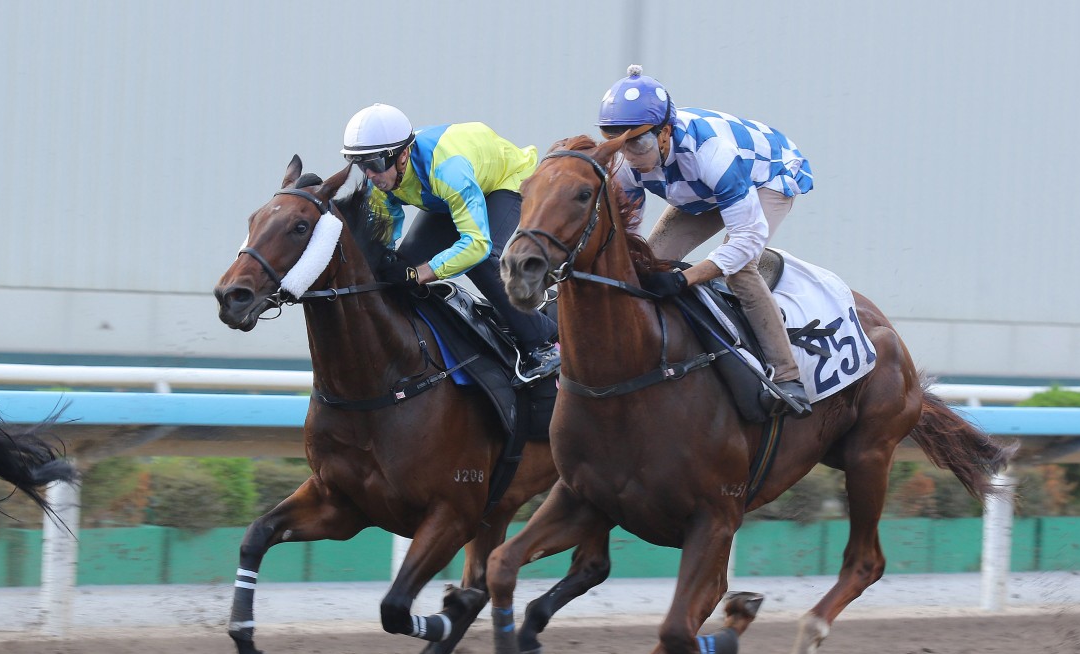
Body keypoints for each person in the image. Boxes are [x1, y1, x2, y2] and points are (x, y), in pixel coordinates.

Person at [598, 66, 813, 417]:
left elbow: (746, 239)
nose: (630, 155)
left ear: (664, 132)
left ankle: (788, 378)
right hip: (700, 190)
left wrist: (685, 278)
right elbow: (625, 237)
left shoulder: (711, 152)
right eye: (617, 143)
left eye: (639, 142)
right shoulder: (624, 163)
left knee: (740, 270)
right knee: (642, 267)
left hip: (765, 176)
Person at [341, 103, 560, 384]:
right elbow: (383, 246)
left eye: (374, 164)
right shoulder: (381, 179)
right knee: (401, 265)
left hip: (504, 181)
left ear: (403, 154)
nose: (369, 174)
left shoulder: (447, 169)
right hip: (449, 196)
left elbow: (476, 244)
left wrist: (421, 274)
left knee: (480, 260)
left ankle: (543, 343)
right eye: (362, 165)